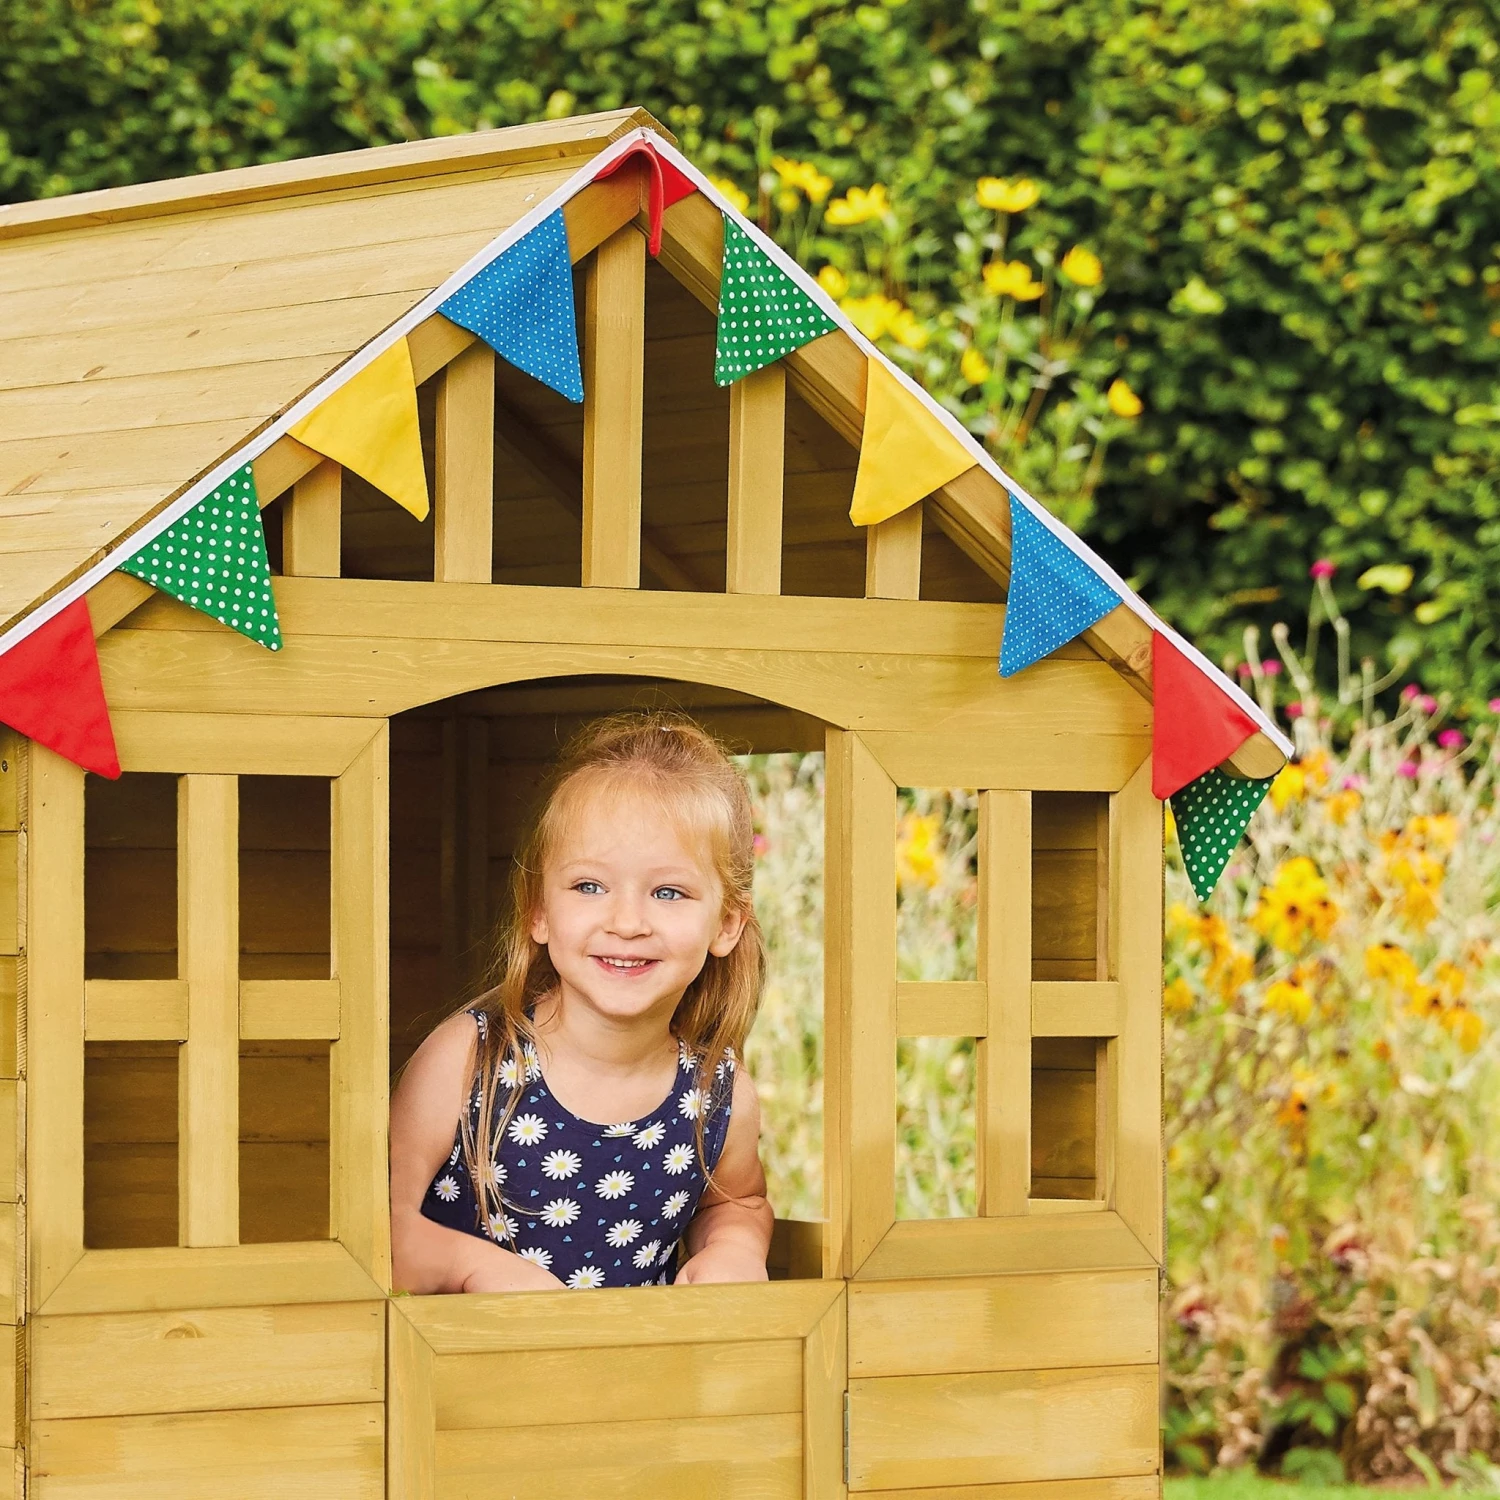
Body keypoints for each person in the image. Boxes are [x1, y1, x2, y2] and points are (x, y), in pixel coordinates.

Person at [390, 710, 773, 1292]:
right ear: (538, 911)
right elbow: (378, 1226)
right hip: (466, 1352)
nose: (627, 922)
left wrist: (733, 1249)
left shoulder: (717, 1094)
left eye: (668, 892)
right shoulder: (469, 1060)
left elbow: (738, 1202)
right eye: (589, 886)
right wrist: (471, 1268)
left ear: (725, 924)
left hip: (635, 1355)